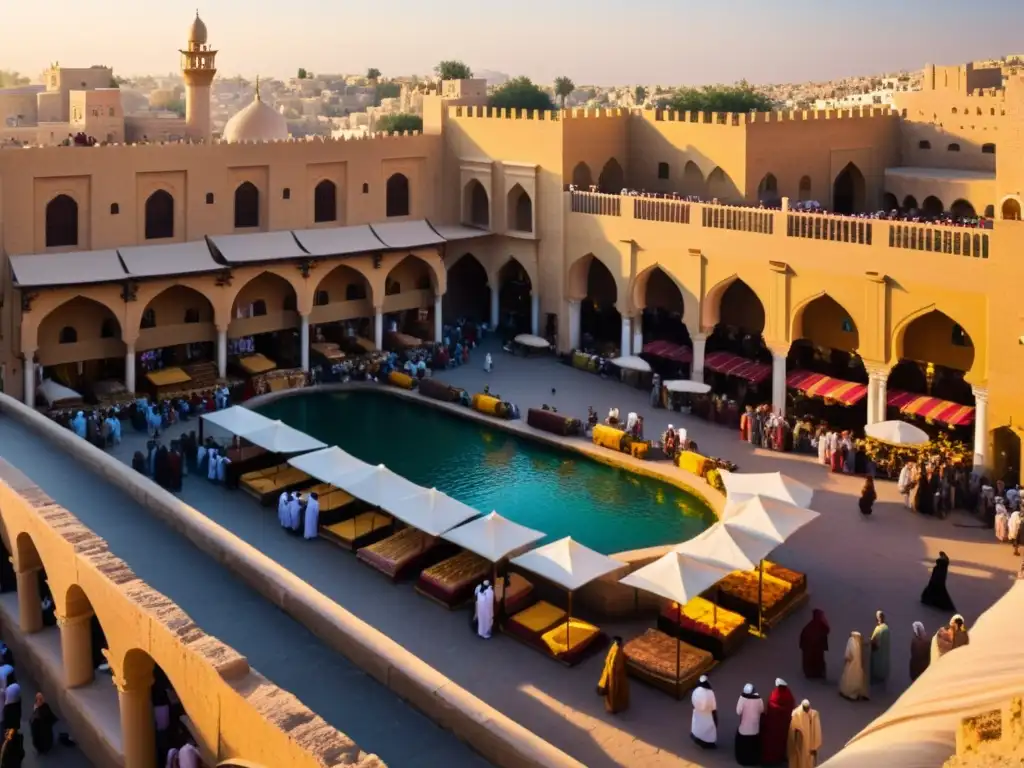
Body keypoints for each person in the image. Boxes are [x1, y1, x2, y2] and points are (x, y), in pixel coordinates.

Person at [761, 679, 795, 766]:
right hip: (784, 724)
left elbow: (770, 705)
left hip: (773, 724)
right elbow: (791, 706)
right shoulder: (788, 695)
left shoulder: (775, 694)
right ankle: (780, 757)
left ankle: (770, 760)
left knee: (771, 741)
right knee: (782, 741)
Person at [596, 636, 628, 714]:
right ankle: (614, 706)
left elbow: (617, 664)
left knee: (613, 691)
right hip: (611, 672)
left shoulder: (617, 649)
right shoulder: (616, 647)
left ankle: (613, 708)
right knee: (612, 689)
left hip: (614, 675)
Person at [787, 700, 822, 768]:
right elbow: (792, 731)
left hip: (809, 747)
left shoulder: (814, 715)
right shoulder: (796, 713)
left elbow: (817, 731)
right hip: (799, 746)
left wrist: (815, 747)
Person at [735, 683, 764, 766]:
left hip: (744, 730)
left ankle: (743, 760)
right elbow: (762, 710)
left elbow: (738, 711)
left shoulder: (743, 699)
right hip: (755, 729)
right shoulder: (759, 699)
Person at [799, 609, 830, 680]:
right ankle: (817, 673)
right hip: (817, 649)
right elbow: (827, 630)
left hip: (810, 649)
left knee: (811, 660)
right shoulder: (820, 626)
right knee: (817, 660)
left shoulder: (808, 627)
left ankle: (811, 673)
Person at [839, 631, 868, 701]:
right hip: (858, 664)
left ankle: (849, 693)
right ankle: (856, 694)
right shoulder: (858, 643)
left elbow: (848, 654)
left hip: (851, 664)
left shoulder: (851, 641)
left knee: (849, 677)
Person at [690, 675, 717, 749]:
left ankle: (698, 739)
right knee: (709, 730)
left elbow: (693, 701)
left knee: (698, 727)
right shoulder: (710, 692)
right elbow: (713, 706)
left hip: (698, 713)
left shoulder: (696, 690)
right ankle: (708, 744)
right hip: (708, 714)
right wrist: (715, 716)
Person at [870, 610, 891, 684]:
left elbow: (873, 640)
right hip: (884, 650)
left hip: (878, 652)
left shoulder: (878, 629)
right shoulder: (886, 628)